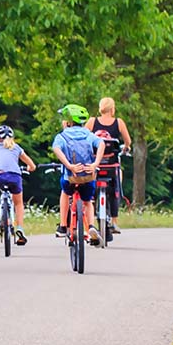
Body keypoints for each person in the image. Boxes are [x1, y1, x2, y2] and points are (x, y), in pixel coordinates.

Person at [53, 104, 106, 246]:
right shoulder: (88, 134)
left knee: (65, 192)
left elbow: (56, 149)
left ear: (68, 121)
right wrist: (95, 164)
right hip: (88, 176)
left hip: (70, 176)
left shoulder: (62, 136)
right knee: (88, 202)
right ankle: (91, 227)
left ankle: (63, 226)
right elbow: (101, 144)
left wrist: (69, 165)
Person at [0, 125, 36, 245]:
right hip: (14, 177)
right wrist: (29, 168)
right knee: (18, 203)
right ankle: (19, 227)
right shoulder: (16, 147)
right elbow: (32, 165)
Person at [85, 96, 132, 235]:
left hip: (95, 164)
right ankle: (115, 221)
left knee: (89, 189)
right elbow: (128, 142)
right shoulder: (119, 122)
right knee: (116, 188)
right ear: (112, 109)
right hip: (112, 165)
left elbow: (84, 137)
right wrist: (125, 149)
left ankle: (90, 221)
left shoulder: (92, 122)